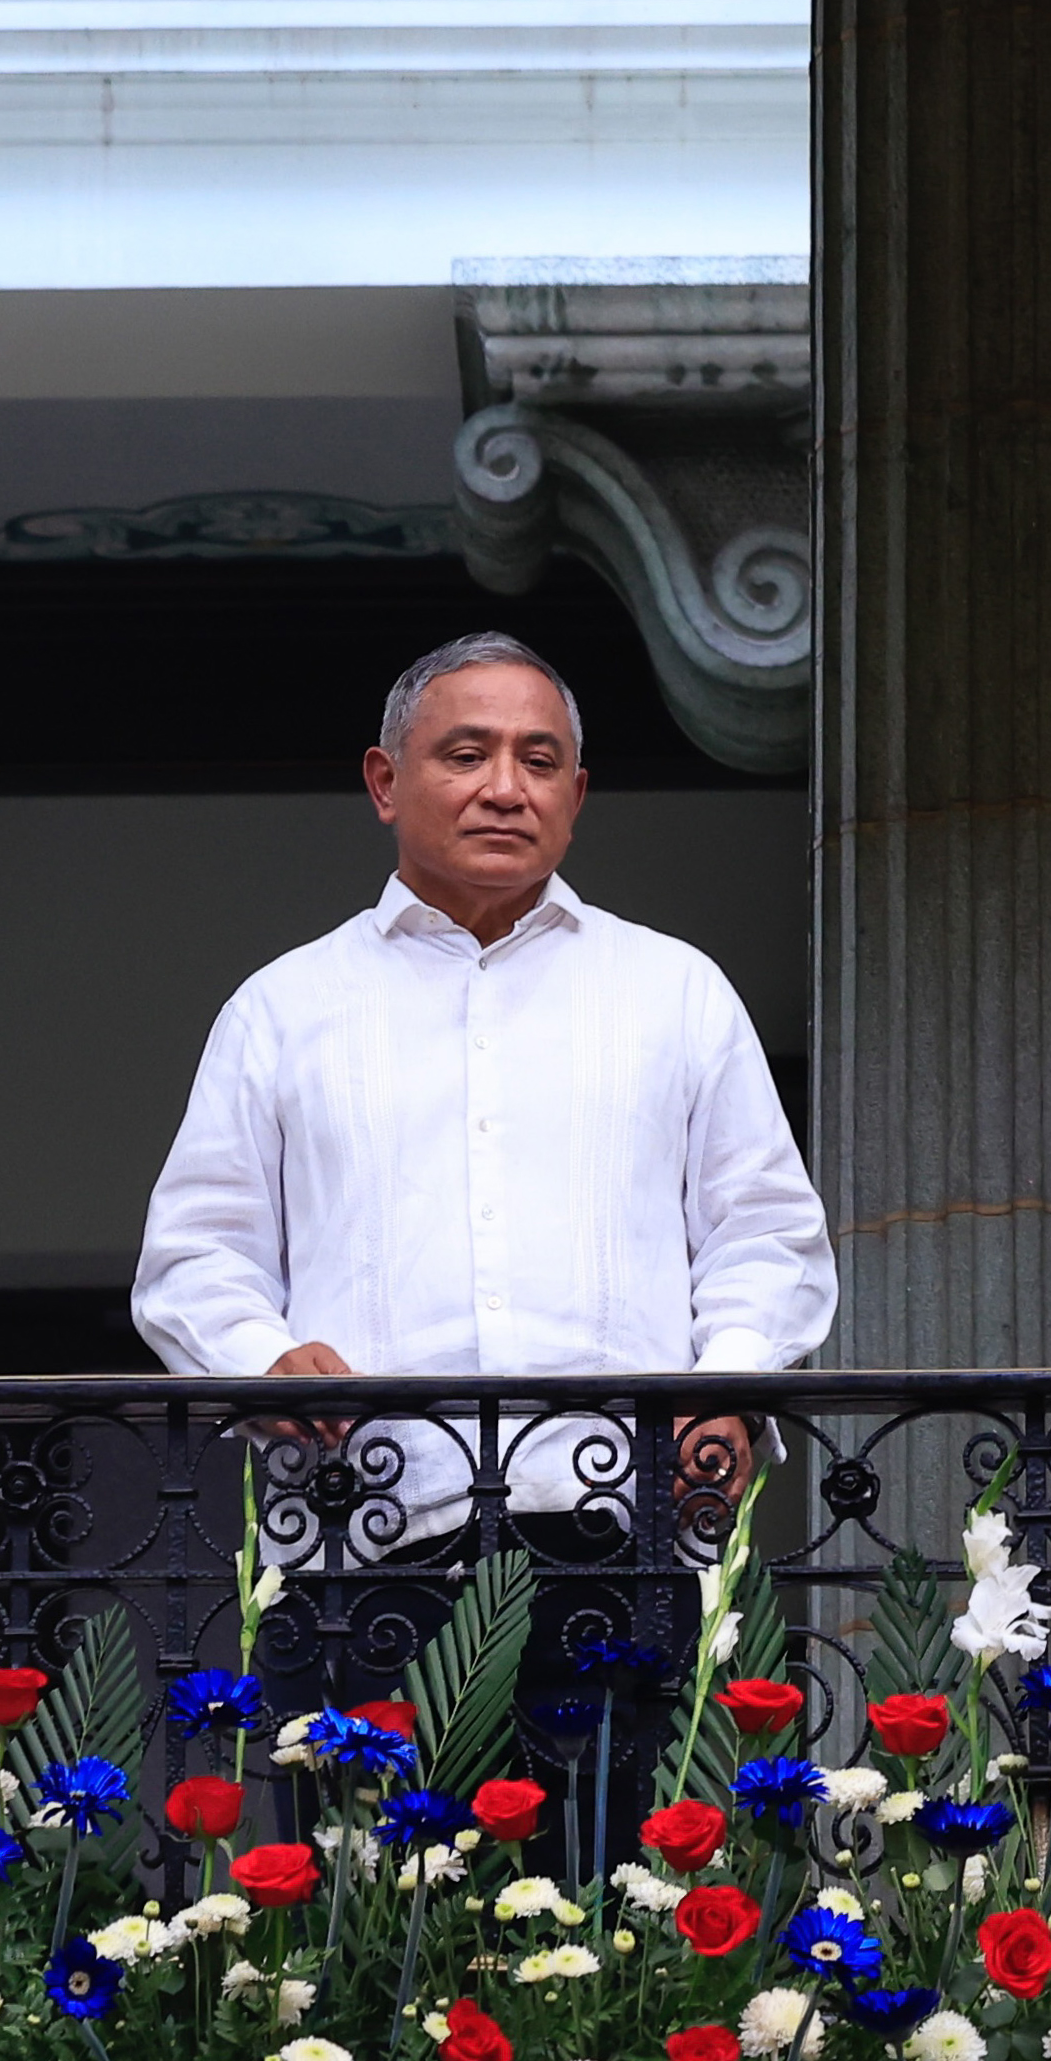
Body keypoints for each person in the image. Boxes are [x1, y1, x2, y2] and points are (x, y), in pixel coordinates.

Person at [135, 631, 833, 1747]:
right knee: (367, 1909)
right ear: (383, 781)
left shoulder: (674, 991)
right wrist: (260, 1360)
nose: (505, 787)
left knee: (630, 1905)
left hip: (628, 1534)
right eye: (466, 753)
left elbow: (764, 1237)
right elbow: (194, 1254)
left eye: (539, 758)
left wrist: (731, 1385)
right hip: (361, 1545)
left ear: (577, 792)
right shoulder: (283, 1007)